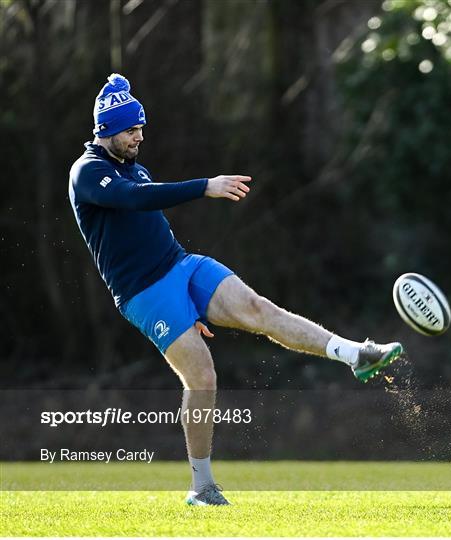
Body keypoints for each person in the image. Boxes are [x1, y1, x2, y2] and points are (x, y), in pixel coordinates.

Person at [69, 74, 404, 506]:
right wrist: (204, 186)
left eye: (140, 128)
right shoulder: (88, 172)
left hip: (181, 265)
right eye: (131, 130)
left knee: (256, 308)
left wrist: (191, 300)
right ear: (107, 129)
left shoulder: (132, 164)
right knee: (202, 376)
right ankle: (202, 487)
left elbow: (146, 211)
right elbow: (136, 200)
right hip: (144, 292)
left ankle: (355, 354)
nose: (139, 136)